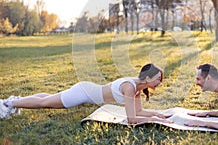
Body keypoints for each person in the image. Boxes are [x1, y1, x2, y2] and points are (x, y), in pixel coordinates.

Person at [0, 63, 173, 124]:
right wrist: (154, 119)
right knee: (44, 104)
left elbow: (139, 112)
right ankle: (8, 104)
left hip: (85, 89)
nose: (160, 82)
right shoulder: (130, 87)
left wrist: (157, 114)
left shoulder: (136, 88)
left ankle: (16, 100)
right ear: (148, 77)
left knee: (48, 98)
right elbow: (132, 119)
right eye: (158, 79)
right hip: (83, 93)